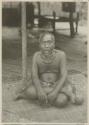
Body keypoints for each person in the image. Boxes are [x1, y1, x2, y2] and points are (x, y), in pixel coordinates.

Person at [16, 32, 83, 107]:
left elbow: (64, 75)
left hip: (58, 84)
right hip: (42, 84)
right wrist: (39, 90)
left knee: (61, 102)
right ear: (39, 45)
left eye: (49, 42)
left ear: (54, 44)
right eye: (43, 43)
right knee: (30, 92)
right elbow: (34, 75)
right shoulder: (36, 56)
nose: (46, 45)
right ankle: (64, 92)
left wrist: (55, 91)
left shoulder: (61, 55)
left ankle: (45, 98)